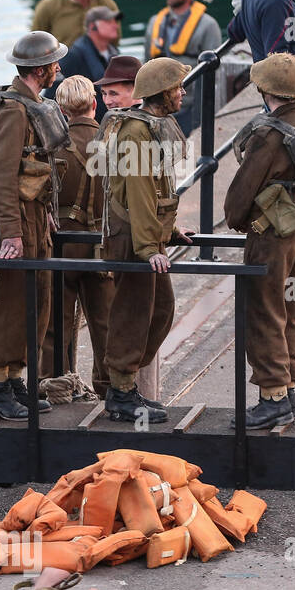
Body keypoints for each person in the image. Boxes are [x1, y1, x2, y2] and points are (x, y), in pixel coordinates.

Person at [226, 53, 295, 427]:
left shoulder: (268, 136)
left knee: (264, 311)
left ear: (264, 90)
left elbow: (239, 199)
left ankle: (272, 397)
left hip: (271, 237)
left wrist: (237, 219)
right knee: (291, 308)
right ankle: (288, 387)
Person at [0, 32, 69, 420]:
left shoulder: (32, 106)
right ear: (41, 70)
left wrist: (44, 212)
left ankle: (13, 377)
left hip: (33, 218)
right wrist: (11, 233)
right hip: (14, 222)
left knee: (35, 302)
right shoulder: (13, 112)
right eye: (54, 63)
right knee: (9, 304)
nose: (58, 68)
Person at [99, 58, 195, 423]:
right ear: (161, 92)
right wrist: (148, 248)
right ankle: (120, 391)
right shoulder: (136, 132)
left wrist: (168, 230)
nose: (182, 92)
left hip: (146, 235)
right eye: (177, 87)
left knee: (160, 309)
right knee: (133, 312)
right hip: (132, 239)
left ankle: (125, 384)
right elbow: (139, 193)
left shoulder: (155, 125)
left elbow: (159, 188)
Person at [38, 75, 113, 396]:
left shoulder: (51, 145)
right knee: (106, 323)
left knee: (55, 324)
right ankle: (110, 388)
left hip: (62, 246)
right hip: (102, 246)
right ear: (95, 104)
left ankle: (54, 385)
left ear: (61, 110)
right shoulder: (114, 143)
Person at [145, 0, 224, 134]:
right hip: (157, 104)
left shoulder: (208, 25)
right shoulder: (154, 22)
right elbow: (146, 62)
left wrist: (203, 110)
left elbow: (213, 73)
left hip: (189, 105)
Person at [47, 6, 122, 119]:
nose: (115, 25)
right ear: (93, 27)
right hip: (84, 124)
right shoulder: (73, 56)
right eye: (108, 22)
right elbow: (51, 96)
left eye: (115, 21)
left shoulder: (113, 52)